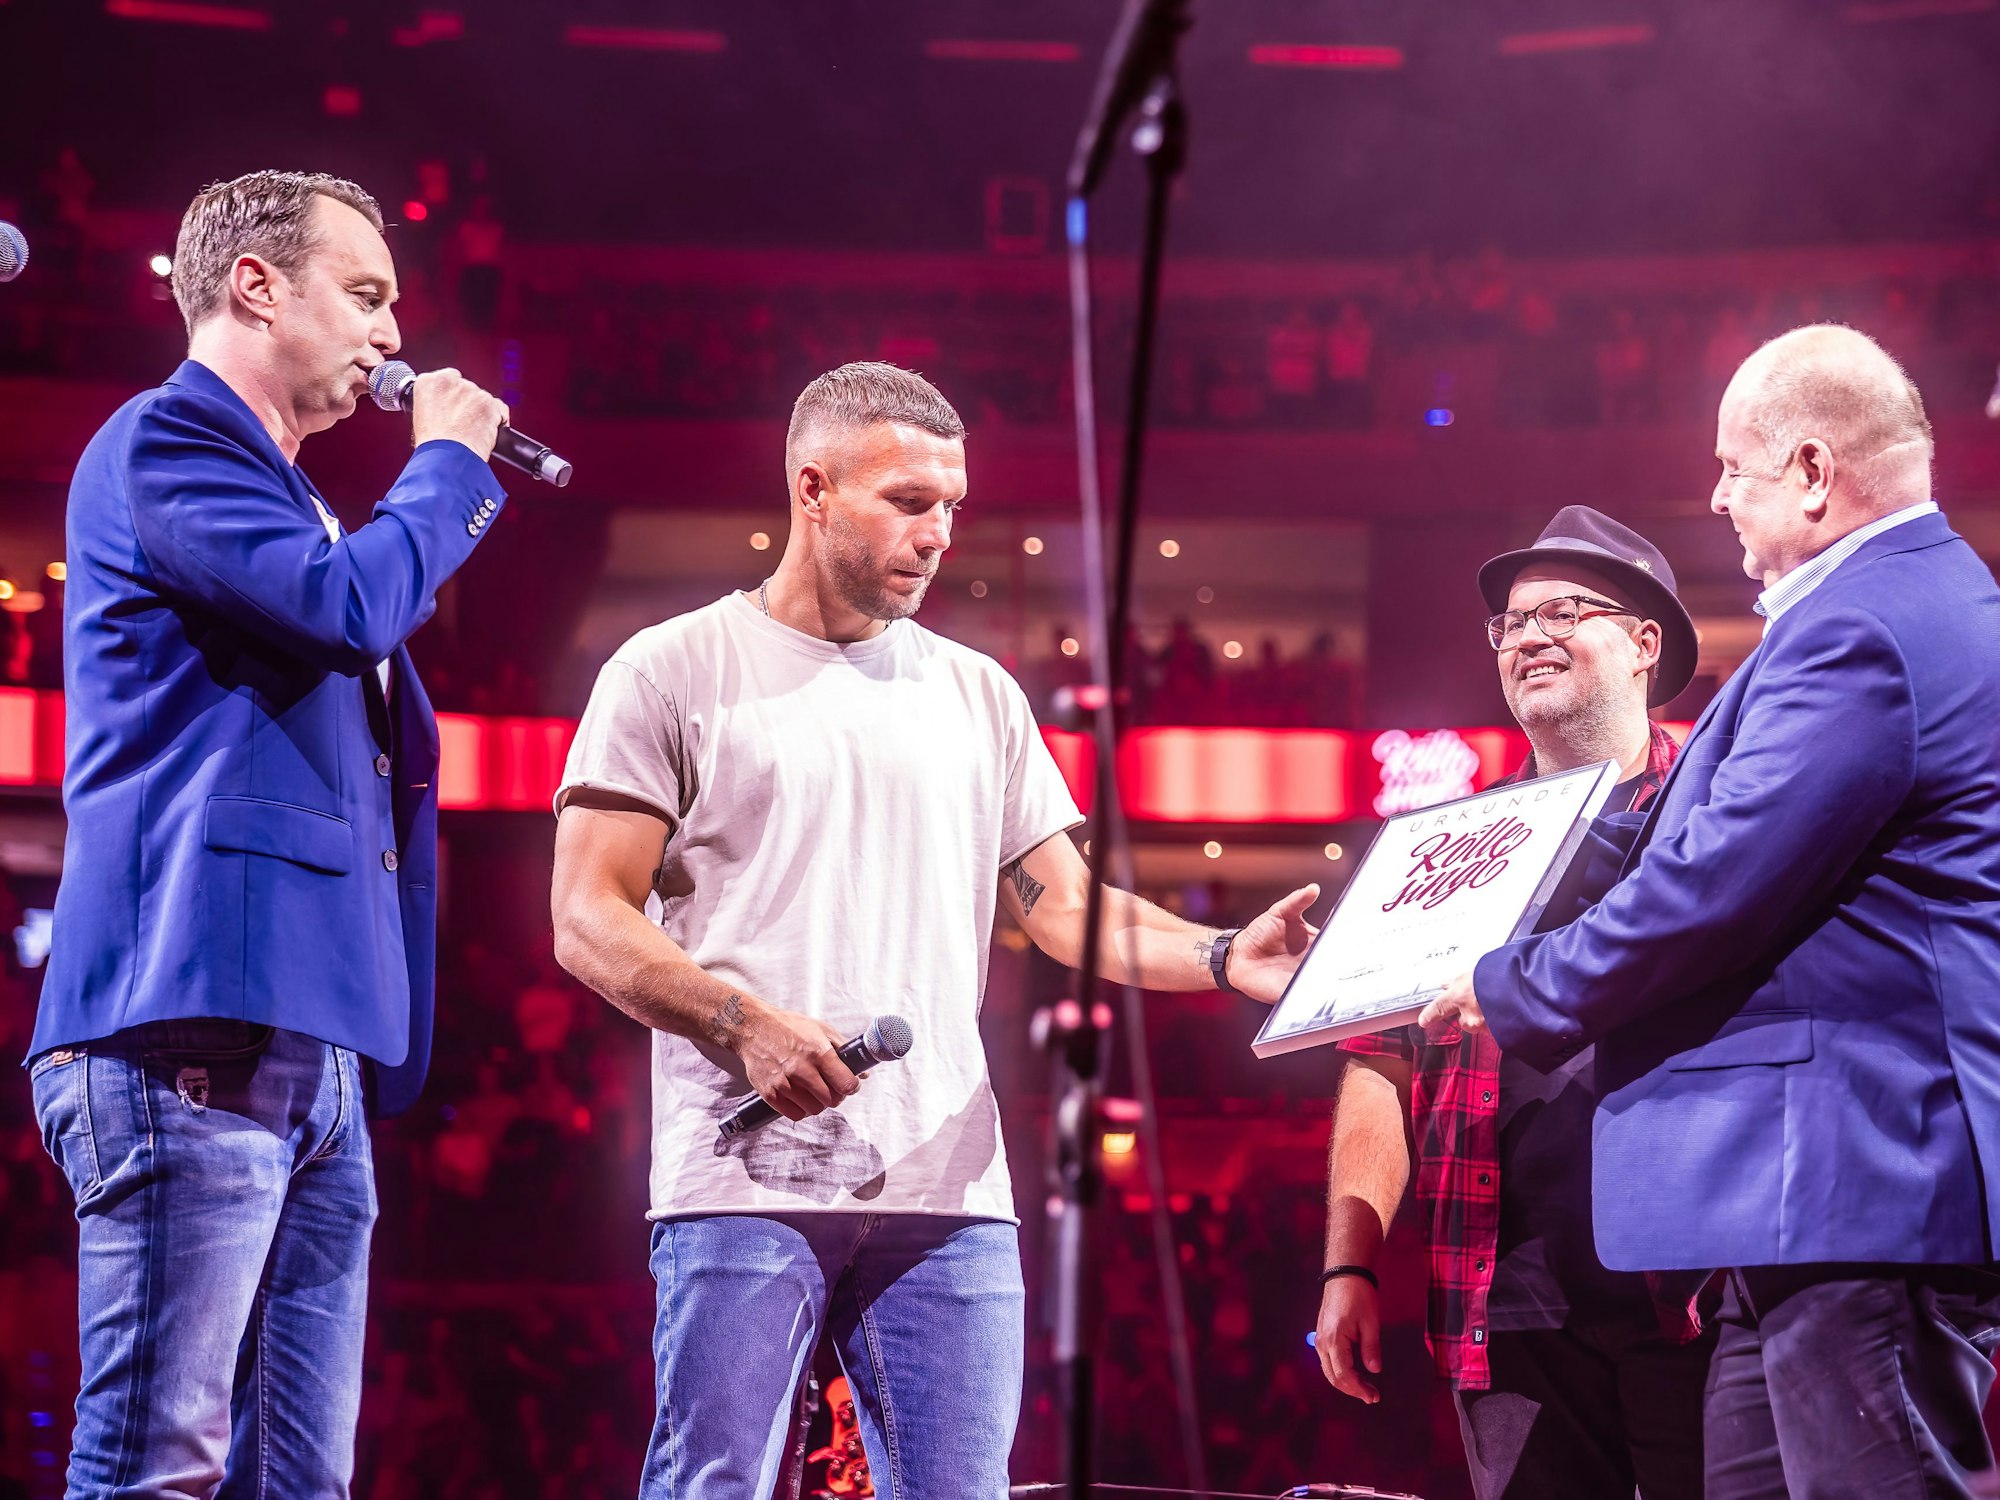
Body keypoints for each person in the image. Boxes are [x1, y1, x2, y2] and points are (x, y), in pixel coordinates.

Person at [549, 361, 1319, 1500]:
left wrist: (1216, 956)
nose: (939, 534)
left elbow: (1063, 906)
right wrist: (743, 1024)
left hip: (951, 1194)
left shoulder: (978, 692)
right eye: (909, 501)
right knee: (716, 1486)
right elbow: (585, 915)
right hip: (744, 1181)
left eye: (951, 506)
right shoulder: (672, 669)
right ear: (812, 489)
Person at [1422, 325, 2000, 1498]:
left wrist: (1503, 985)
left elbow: (1710, 887)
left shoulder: (1864, 625)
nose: (1718, 497)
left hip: (1861, 1184)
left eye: (1733, 468)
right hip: (1801, 1207)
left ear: (1808, 470)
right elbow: (1688, 848)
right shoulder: (1891, 608)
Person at [31, 170, 511, 1498]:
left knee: (300, 1482)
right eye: (363, 294)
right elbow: (345, 610)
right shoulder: (168, 442)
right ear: (256, 286)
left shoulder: (290, 497)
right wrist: (449, 470)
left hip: (309, 1032)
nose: (390, 334)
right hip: (190, 1018)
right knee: (158, 1466)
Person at [1319, 506, 1711, 1499]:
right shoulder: (1446, 849)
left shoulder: (1720, 812)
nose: (1528, 635)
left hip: (1698, 1290)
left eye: (1564, 611)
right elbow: (1379, 1064)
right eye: (1510, 623)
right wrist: (1348, 1266)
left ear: (1644, 643)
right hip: (1504, 1305)